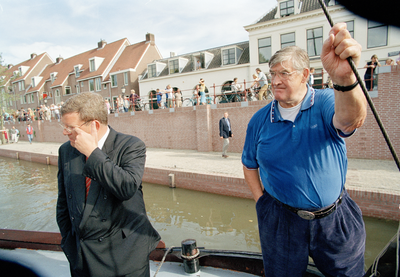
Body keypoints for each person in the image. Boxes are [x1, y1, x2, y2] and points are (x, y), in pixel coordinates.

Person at [242, 23, 367, 277]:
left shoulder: (325, 102)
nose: (275, 80)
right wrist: (262, 203)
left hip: (334, 222)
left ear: (305, 74)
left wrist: (344, 80)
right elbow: (249, 164)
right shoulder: (259, 119)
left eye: (284, 73)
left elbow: (349, 121)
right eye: (272, 73)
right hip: (280, 221)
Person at [57, 92, 160, 277]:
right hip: (83, 257)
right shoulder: (66, 150)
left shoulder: (130, 146)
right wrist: (69, 240)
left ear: (94, 125)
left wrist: (93, 153)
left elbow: (127, 187)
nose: (65, 132)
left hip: (124, 258)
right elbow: (63, 202)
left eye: (70, 127)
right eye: (63, 126)